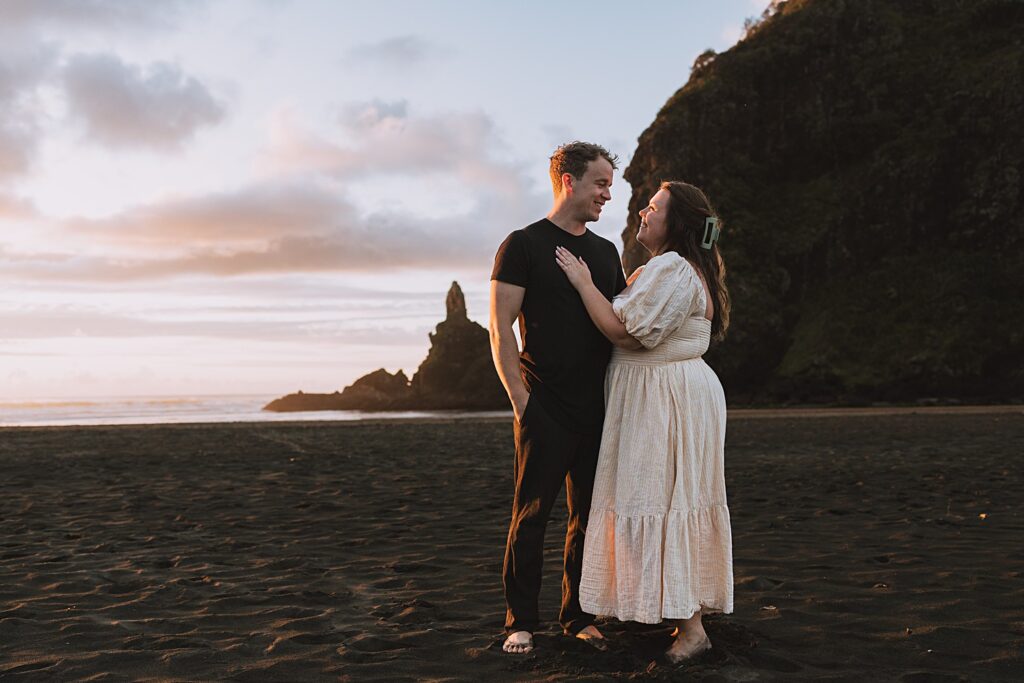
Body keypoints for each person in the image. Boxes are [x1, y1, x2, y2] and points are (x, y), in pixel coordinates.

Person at [554, 180, 734, 663]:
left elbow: (625, 333)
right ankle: (682, 613)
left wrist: (582, 282)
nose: (643, 212)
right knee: (671, 498)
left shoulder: (673, 267)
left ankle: (692, 630)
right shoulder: (672, 269)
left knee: (664, 499)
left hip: (664, 400)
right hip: (668, 395)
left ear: (676, 223)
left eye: (653, 207)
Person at [489, 141, 627, 654]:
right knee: (531, 516)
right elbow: (500, 328)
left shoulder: (606, 252)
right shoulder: (522, 245)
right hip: (543, 404)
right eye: (600, 183)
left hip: (597, 407)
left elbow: (617, 323)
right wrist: (521, 400)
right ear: (569, 181)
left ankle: (577, 616)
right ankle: (520, 622)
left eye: (610, 185)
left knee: (588, 519)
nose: (607, 194)